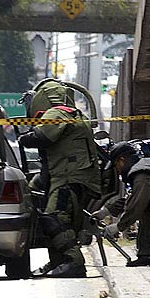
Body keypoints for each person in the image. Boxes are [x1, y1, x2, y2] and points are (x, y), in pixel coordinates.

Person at [18, 79, 102, 278]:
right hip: (69, 175)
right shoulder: (73, 113)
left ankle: (74, 262)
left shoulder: (58, 113)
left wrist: (24, 137)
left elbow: (42, 137)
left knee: (55, 218)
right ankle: (58, 261)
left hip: (68, 177)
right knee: (54, 218)